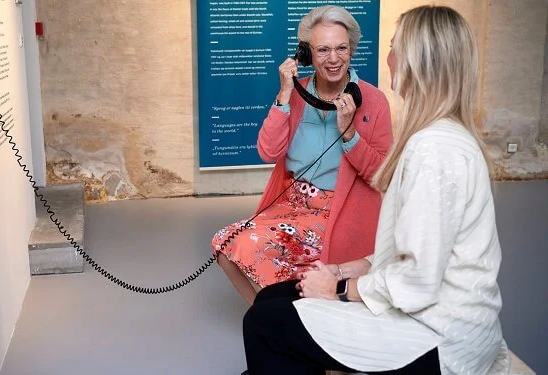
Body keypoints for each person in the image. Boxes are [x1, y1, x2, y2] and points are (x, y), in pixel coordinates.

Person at [241, 5, 511, 375]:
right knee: (271, 300)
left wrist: (338, 288)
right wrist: (337, 271)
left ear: (417, 62)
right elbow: (407, 252)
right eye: (322, 50)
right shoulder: (437, 137)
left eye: (394, 46)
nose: (388, 57)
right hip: (431, 310)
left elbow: (416, 280)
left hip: (439, 337)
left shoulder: (432, 150)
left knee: (265, 322)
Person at [212, 5, 392, 305]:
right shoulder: (295, 94)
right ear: (306, 53)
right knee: (224, 242)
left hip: (337, 209)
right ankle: (269, 317)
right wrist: (284, 94)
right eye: (322, 50)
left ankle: (284, 320)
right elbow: (268, 151)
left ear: (352, 50)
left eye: (341, 48)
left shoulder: (373, 101)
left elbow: (382, 174)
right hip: (291, 204)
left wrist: (349, 134)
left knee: (264, 254)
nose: (333, 59)